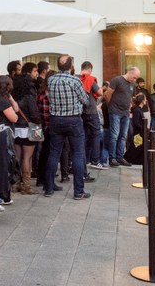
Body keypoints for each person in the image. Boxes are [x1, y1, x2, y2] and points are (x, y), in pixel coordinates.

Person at [44, 55, 90, 200]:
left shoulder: (51, 80)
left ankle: (48, 188)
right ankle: (78, 191)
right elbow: (85, 100)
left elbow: (49, 97)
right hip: (73, 119)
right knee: (77, 154)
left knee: (54, 153)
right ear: (71, 66)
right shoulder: (75, 80)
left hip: (56, 119)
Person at [13, 65, 42, 194]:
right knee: (27, 158)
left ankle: (15, 184)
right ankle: (26, 186)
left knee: (17, 157)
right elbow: (35, 115)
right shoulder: (29, 97)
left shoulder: (13, 98)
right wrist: (40, 123)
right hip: (28, 129)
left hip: (16, 129)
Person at [104, 66, 140, 167]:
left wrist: (130, 105)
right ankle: (112, 158)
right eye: (134, 77)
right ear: (130, 73)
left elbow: (131, 97)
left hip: (125, 113)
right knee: (114, 135)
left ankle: (120, 157)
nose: (135, 80)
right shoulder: (117, 80)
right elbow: (107, 94)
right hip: (115, 112)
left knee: (123, 136)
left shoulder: (132, 84)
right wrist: (110, 106)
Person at [79, 61, 105, 170]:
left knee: (84, 136)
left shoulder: (77, 78)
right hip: (91, 111)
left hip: (81, 112)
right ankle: (95, 160)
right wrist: (102, 88)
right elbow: (100, 92)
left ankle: (85, 160)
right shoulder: (90, 78)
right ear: (89, 69)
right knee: (96, 135)